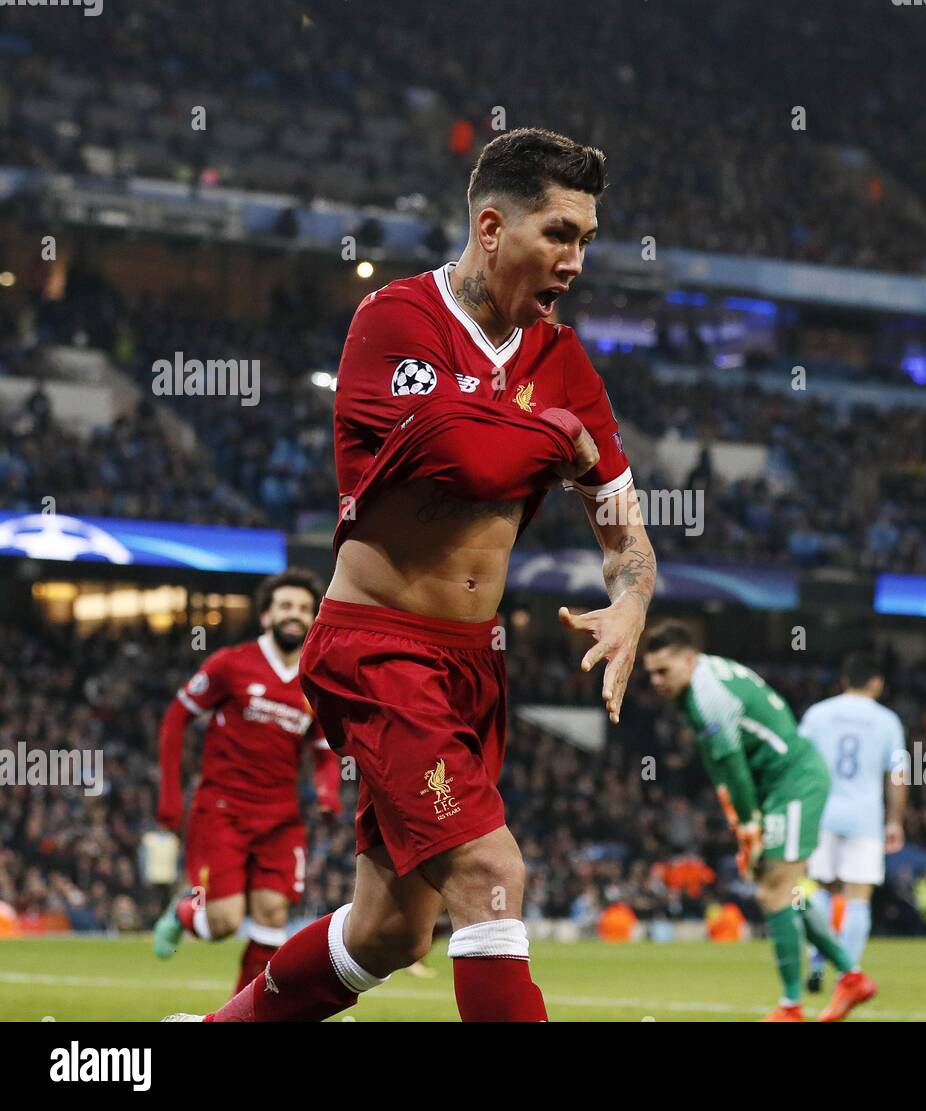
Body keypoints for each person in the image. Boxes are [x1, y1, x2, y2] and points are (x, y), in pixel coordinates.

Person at [174, 128, 656, 1022]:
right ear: (490, 226)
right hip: (375, 645)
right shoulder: (394, 321)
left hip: (474, 663)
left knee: (391, 930)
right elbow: (460, 460)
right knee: (492, 871)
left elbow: (625, 527)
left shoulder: (563, 359)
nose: (576, 260)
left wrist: (632, 596)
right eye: (559, 233)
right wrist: (559, 437)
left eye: (587, 239)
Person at [641, 621, 874, 1022]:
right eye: (651, 674)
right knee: (787, 892)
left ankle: (791, 1007)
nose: (657, 681)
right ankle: (851, 976)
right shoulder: (700, 680)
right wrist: (741, 826)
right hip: (777, 788)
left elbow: (733, 772)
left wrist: (749, 829)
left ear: (688, 659)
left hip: (793, 782)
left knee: (772, 893)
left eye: (664, 671)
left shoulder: (707, 697)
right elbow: (719, 765)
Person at [153, 570, 340, 995]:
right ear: (266, 616)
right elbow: (176, 717)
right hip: (222, 811)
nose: (295, 616)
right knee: (223, 922)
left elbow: (324, 748)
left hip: (280, 818)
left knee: (273, 915)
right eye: (286, 606)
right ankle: (186, 913)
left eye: (304, 609)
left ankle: (244, 1013)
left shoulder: (316, 681)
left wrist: (328, 793)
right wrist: (169, 795)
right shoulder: (229, 664)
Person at [799, 651, 907, 993]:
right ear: (877, 683)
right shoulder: (887, 720)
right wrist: (895, 821)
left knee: (821, 889)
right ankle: (849, 975)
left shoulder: (819, 714)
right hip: (865, 818)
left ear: (844, 680)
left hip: (823, 814)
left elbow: (801, 764)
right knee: (858, 896)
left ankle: (817, 956)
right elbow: (898, 773)